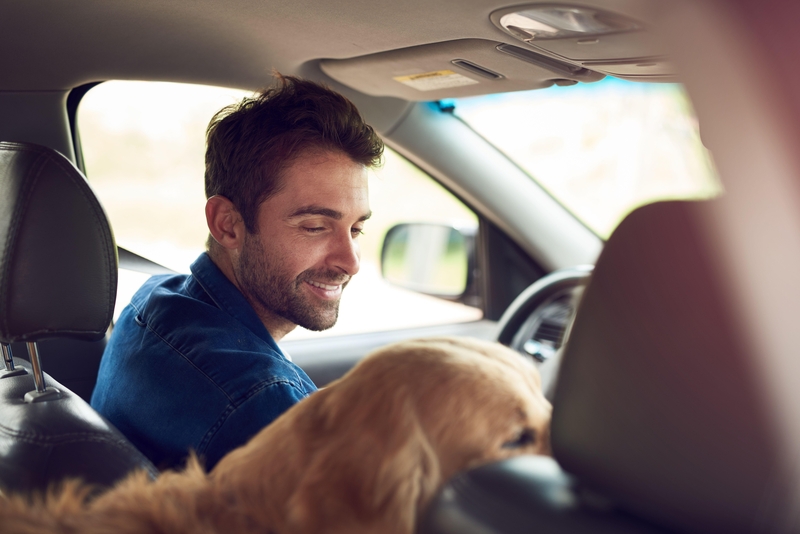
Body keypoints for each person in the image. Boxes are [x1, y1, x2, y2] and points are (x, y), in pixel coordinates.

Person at [91, 75, 384, 470]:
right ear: (228, 224)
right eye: (315, 226)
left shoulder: (153, 303)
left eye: (356, 229)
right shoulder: (259, 401)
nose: (351, 261)